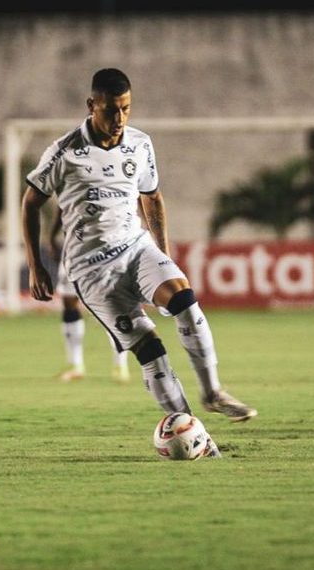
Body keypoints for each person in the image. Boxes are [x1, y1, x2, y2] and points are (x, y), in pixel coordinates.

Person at [21, 68, 257, 437]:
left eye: (126, 109)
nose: (119, 119)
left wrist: (163, 254)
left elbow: (153, 197)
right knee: (150, 349)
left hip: (136, 247)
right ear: (91, 105)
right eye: (110, 110)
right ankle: (191, 429)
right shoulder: (64, 152)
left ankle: (213, 391)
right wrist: (36, 267)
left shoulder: (140, 144)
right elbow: (30, 203)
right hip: (92, 271)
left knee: (184, 299)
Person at [48, 208, 130, 382]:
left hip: (108, 249)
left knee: (113, 305)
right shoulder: (71, 183)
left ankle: (120, 365)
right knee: (69, 301)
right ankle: (76, 365)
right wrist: (52, 236)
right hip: (74, 251)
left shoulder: (116, 183)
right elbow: (63, 206)